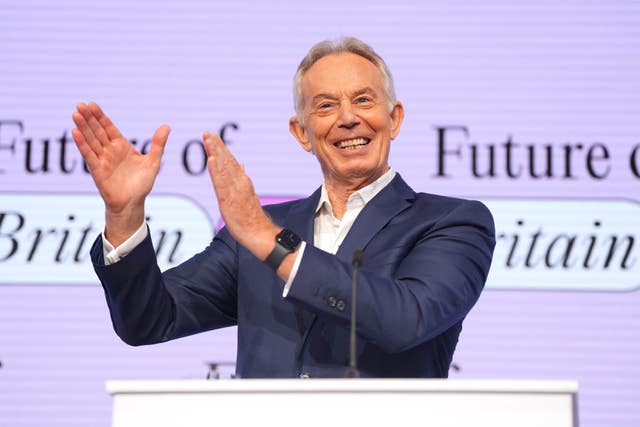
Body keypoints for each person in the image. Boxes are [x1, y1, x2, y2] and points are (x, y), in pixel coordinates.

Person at [71, 37, 495, 378]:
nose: (348, 118)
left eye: (364, 100)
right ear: (302, 133)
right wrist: (124, 215)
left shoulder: (452, 222)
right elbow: (149, 320)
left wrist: (271, 242)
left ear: (395, 118)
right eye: (326, 106)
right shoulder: (257, 231)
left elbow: (407, 320)